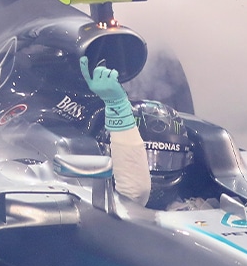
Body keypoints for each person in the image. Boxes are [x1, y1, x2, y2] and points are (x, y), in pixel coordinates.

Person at [79, 57, 197, 209]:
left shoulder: (198, 208)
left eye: (164, 160)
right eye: (144, 159)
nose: (153, 170)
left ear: (187, 160)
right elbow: (136, 192)